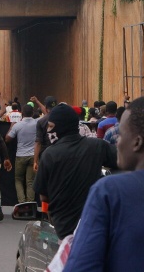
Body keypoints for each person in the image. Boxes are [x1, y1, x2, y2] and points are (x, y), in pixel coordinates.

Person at [63, 96, 144, 271]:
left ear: (137, 142)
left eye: (121, 135)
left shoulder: (110, 192)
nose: (118, 142)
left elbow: (82, 267)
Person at [33, 103, 118, 240]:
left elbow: (43, 196)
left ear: (61, 126)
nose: (48, 131)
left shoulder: (49, 155)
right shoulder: (97, 147)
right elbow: (125, 161)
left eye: (51, 126)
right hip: (95, 224)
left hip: (63, 229)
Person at [5, 105, 37, 203]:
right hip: (33, 156)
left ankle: (22, 202)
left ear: (22, 113)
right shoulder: (37, 123)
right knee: (30, 181)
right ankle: (30, 202)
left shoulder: (17, 125)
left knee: (18, 179)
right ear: (32, 113)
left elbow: (7, 139)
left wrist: (11, 127)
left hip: (20, 155)